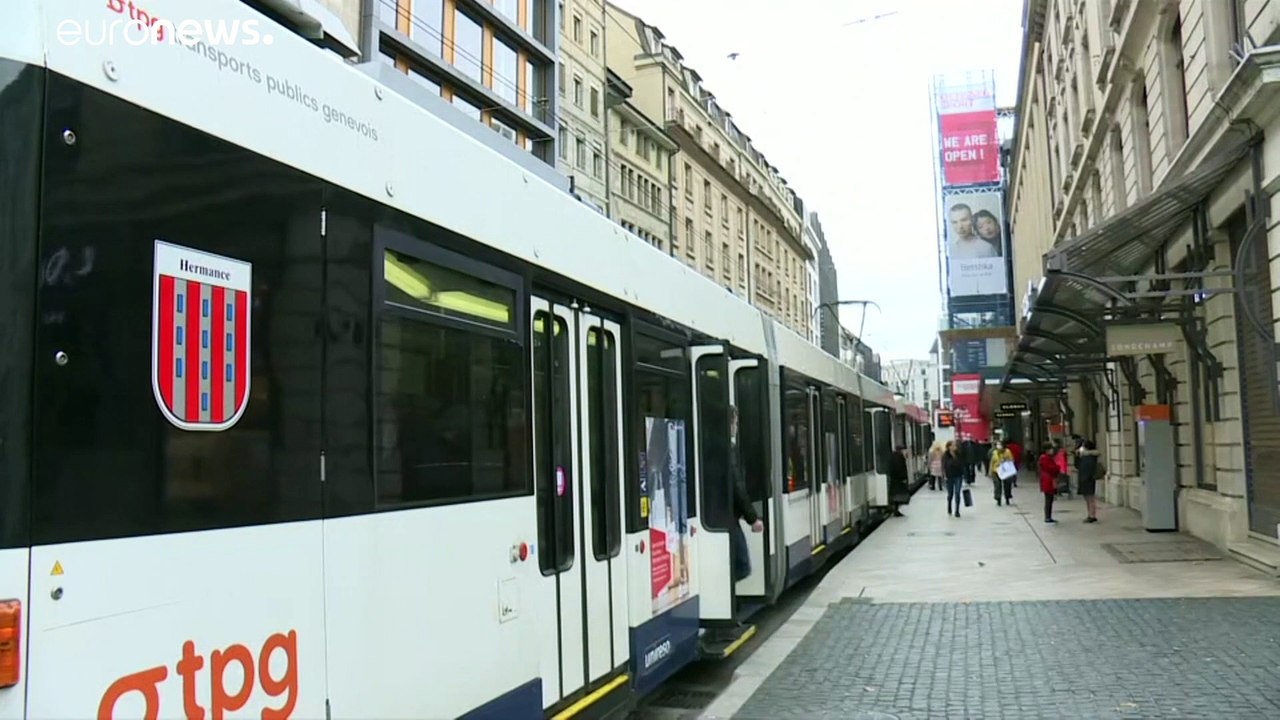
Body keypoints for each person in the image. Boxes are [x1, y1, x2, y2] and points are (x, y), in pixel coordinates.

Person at [728, 407, 764, 582]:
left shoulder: (708, 445)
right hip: (728, 518)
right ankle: (728, 599)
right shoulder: (729, 449)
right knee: (742, 566)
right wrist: (753, 518)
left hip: (722, 515)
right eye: (735, 422)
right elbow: (737, 486)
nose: (736, 427)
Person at [1076, 439, 1103, 523]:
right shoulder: (1085, 457)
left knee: (1090, 498)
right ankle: (1090, 514)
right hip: (1086, 479)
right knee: (1088, 498)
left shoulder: (1089, 458)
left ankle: (1092, 515)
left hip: (1087, 480)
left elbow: (1087, 469)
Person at [988, 440, 1015, 506]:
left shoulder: (1007, 452)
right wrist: (990, 471)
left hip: (1005, 471)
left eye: (1000, 445)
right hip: (996, 471)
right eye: (997, 445)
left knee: (1007, 485)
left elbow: (1012, 460)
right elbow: (992, 462)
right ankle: (998, 499)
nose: (998, 446)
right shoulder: (994, 452)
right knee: (997, 485)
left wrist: (1005, 460)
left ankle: (1007, 497)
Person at [943, 440, 966, 517]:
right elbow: (946, 465)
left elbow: (962, 463)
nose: (955, 447)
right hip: (949, 476)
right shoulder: (945, 455)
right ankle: (949, 506)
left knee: (957, 493)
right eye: (953, 445)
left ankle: (957, 510)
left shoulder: (958, 454)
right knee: (950, 494)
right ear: (949, 447)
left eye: (955, 445)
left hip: (958, 475)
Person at [1039, 442, 1059, 523]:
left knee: (1049, 499)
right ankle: (1048, 517)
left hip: (1047, 479)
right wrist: (1057, 467)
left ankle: (1048, 516)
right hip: (1048, 480)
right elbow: (1051, 468)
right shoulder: (1045, 458)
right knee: (1048, 499)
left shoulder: (1046, 458)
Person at [888, 445, 909, 517]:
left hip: (894, 479)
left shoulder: (892, 456)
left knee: (895, 495)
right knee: (898, 496)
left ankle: (895, 509)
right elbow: (901, 468)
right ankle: (895, 510)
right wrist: (904, 477)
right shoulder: (899, 457)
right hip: (899, 479)